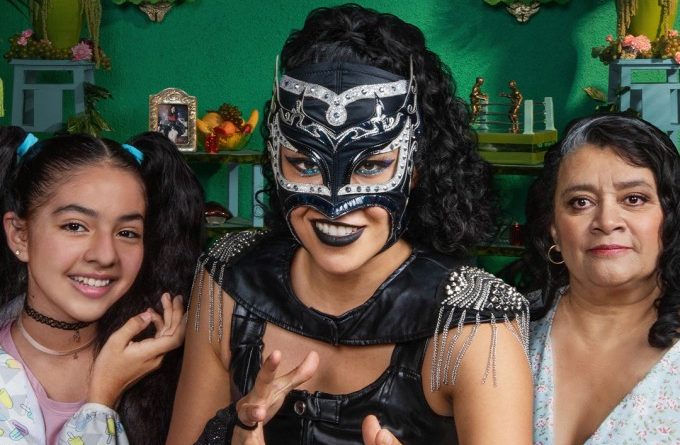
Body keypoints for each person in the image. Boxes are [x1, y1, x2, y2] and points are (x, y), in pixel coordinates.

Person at [168, 5, 532, 445]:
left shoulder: (474, 324)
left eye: (372, 165)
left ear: (416, 165)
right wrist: (232, 434)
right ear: (276, 157)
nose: (336, 205)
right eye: (305, 164)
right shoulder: (229, 278)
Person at [0, 128, 204, 444]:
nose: (106, 255)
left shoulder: (164, 365)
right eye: (75, 226)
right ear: (20, 236)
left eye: (127, 233)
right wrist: (102, 398)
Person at [525, 113, 680, 444]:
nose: (607, 221)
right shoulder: (506, 331)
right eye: (581, 202)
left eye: (634, 199)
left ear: (670, 217)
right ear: (553, 227)